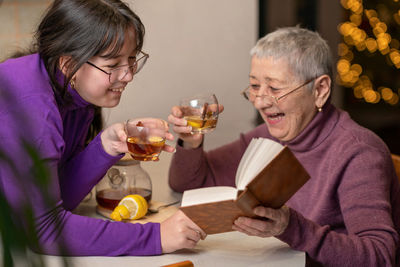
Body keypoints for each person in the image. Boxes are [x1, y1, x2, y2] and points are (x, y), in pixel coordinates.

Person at [168, 26, 400, 266]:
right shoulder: (268, 137)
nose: (259, 102)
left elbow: (380, 257)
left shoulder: (358, 153)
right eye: (255, 86)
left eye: (275, 88)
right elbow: (186, 184)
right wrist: (191, 142)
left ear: (320, 90)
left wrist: (292, 228)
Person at [0, 0, 206, 256]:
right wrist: (157, 236)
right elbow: (43, 231)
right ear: (68, 64)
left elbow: (57, 198)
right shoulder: (34, 110)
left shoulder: (73, 92)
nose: (129, 75)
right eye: (112, 65)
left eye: (132, 60)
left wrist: (106, 145)